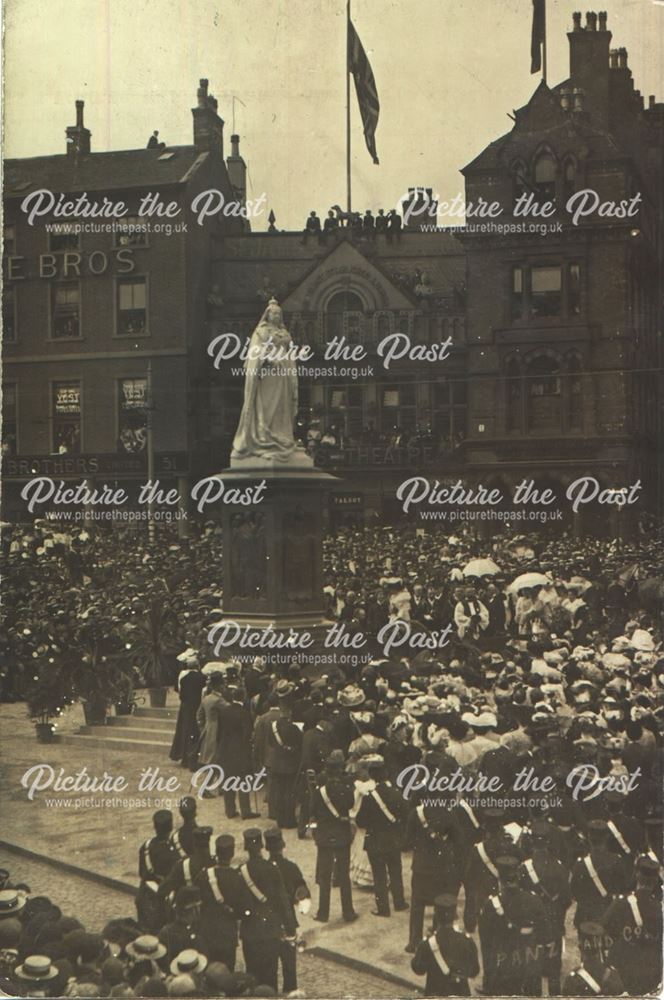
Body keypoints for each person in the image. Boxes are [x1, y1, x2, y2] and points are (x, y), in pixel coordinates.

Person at [237, 829, 296, 991]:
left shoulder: (241, 871)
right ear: (261, 846)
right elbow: (282, 901)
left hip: (249, 931)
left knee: (252, 974)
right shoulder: (271, 868)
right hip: (269, 930)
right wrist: (290, 926)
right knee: (270, 976)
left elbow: (238, 903)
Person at [355, 755, 407, 917]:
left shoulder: (371, 797)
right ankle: (399, 902)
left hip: (375, 840)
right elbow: (405, 814)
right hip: (393, 839)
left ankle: (383, 908)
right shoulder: (396, 793)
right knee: (396, 871)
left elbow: (360, 820)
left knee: (379, 875)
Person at [310, 750, 358, 923]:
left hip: (324, 836)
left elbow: (312, 812)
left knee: (324, 876)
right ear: (339, 770)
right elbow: (351, 804)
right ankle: (348, 912)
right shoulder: (346, 790)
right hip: (341, 835)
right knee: (343, 876)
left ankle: (323, 913)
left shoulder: (318, 792)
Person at [264, 826, 310, 993]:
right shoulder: (291, 867)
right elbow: (303, 896)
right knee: (289, 969)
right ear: (282, 846)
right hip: (288, 921)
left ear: (267, 848)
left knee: (269, 970)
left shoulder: (263, 868)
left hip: (268, 923)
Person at [196, 834, 252, 970]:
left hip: (207, 932)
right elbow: (243, 908)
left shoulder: (203, 875)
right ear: (232, 853)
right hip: (227, 934)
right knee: (226, 972)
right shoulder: (236, 877)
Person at [411, 894, 479, 996]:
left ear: (436, 916)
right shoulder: (466, 941)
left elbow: (418, 969)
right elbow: (474, 971)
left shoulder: (427, 944)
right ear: (455, 916)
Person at [218, 685, 259, 820]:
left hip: (226, 750)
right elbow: (247, 735)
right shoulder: (245, 713)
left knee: (228, 780)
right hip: (241, 751)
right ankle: (245, 810)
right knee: (243, 781)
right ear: (243, 697)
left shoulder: (224, 711)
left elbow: (220, 733)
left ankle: (230, 810)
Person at [136, 810, 180, 932]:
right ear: (170, 827)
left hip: (145, 896)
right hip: (162, 901)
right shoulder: (172, 852)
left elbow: (142, 872)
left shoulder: (145, 846)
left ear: (155, 827)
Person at [170, 657, 205, 769]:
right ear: (197, 666)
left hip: (186, 708)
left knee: (185, 731)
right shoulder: (202, 678)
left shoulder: (184, 679)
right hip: (197, 707)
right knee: (195, 732)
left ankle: (184, 758)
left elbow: (181, 695)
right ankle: (194, 759)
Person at [196, 673, 225, 780]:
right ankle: (208, 786)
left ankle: (219, 785)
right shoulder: (219, 700)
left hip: (208, 729)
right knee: (215, 759)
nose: (224, 687)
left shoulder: (207, 698)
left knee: (212, 759)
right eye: (222, 685)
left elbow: (199, 715)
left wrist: (203, 727)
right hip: (218, 730)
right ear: (218, 686)